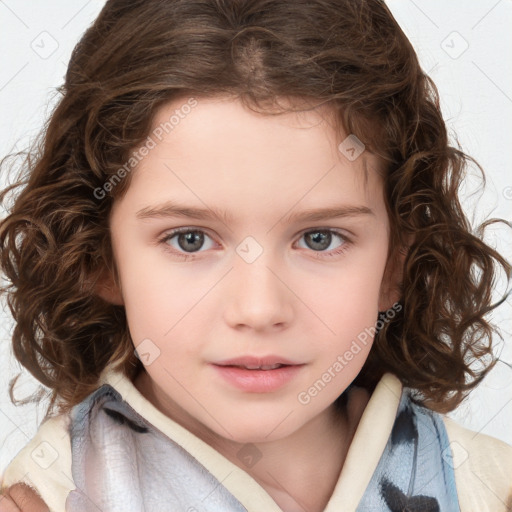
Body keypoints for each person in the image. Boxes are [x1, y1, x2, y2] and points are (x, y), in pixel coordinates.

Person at [0, 0, 511, 511]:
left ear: (396, 261)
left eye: (320, 238)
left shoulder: (490, 489)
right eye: (190, 240)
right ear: (97, 256)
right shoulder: (38, 500)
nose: (259, 309)